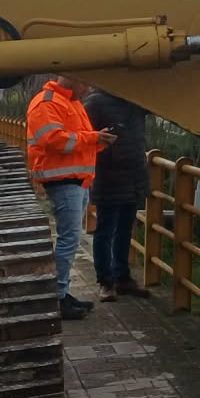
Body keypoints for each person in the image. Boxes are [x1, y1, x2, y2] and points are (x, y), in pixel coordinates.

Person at [25, 75, 116, 318]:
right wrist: (94, 138)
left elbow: (77, 141)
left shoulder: (70, 103)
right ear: (71, 80)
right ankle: (57, 296)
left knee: (70, 240)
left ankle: (62, 292)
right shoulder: (47, 103)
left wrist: (98, 139)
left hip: (77, 180)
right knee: (68, 240)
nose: (88, 89)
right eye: (85, 83)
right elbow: (54, 141)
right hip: (64, 182)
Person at [85, 89, 148, 299]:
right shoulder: (95, 102)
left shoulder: (138, 99)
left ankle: (123, 277)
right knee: (105, 230)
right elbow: (86, 135)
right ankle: (105, 281)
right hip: (108, 176)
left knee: (125, 230)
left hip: (134, 175)